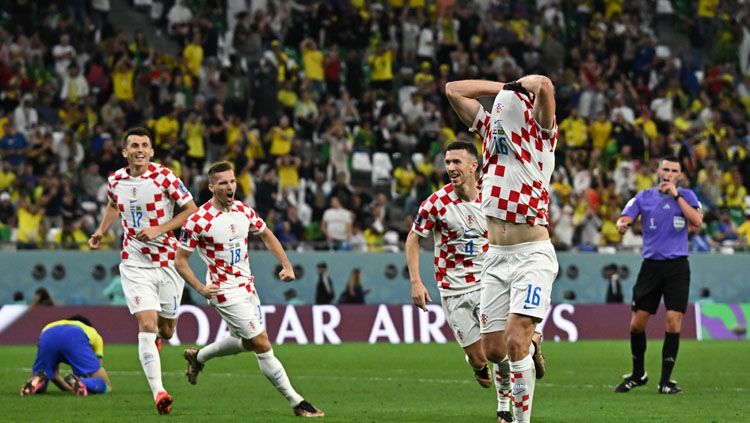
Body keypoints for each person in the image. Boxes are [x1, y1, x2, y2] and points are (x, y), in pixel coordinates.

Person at [446, 74, 558, 423]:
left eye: (504, 107)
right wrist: (503, 87)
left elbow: (544, 85)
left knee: (514, 342)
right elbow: (453, 89)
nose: (497, 112)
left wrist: (524, 86)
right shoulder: (489, 136)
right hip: (495, 256)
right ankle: (535, 345)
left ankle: (520, 420)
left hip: (532, 254)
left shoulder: (540, 135)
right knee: (494, 351)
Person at [174, 161, 324, 418]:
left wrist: (286, 264)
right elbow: (180, 261)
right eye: (223, 182)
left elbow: (266, 234)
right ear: (211, 187)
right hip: (222, 290)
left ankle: (198, 358)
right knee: (262, 342)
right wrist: (201, 288)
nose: (230, 186)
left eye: (232, 181)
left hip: (247, 286)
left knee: (247, 342)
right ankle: (297, 402)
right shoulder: (197, 221)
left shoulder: (243, 210)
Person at [88, 127, 197, 414]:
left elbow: (191, 210)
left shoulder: (165, 177)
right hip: (135, 262)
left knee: (167, 330)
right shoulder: (115, 180)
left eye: (144, 145)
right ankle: (159, 392)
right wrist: (101, 231)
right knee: (147, 325)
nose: (139, 149)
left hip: (169, 263)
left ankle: (158, 343)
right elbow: (114, 204)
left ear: (151, 151)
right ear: (125, 152)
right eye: (134, 145)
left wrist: (160, 229)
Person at [406, 141, 511, 419]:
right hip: (453, 290)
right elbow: (413, 239)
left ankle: (505, 409)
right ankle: (476, 366)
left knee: (497, 351)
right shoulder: (435, 203)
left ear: (473, 165)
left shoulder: (492, 195)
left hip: (488, 283)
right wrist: (416, 281)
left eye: (457, 162)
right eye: (448, 162)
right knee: (480, 359)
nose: (451, 167)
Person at [613, 155, 703, 395]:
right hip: (651, 266)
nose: (668, 174)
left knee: (673, 322)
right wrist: (622, 224)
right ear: (659, 171)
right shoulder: (645, 196)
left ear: (679, 176)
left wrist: (676, 195)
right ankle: (638, 373)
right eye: (665, 169)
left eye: (674, 171)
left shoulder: (688, 196)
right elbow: (626, 216)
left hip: (677, 267)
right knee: (636, 325)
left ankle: (665, 381)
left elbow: (696, 221)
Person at [20, 315, 112, 397]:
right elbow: (98, 369)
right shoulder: (91, 331)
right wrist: (82, 382)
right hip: (75, 335)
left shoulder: (52, 325)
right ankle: (82, 382)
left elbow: (54, 376)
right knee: (105, 384)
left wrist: (71, 387)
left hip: (46, 334)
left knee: (43, 375)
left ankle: (35, 380)